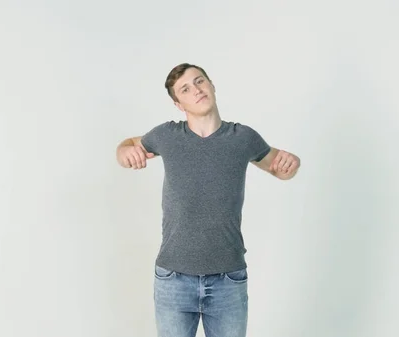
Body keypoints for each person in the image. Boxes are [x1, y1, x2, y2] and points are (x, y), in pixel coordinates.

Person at [115, 63, 300, 337]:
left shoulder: (243, 137)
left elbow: (280, 168)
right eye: (186, 89)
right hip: (173, 278)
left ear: (212, 85)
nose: (196, 90)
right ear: (179, 104)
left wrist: (292, 163)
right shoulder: (167, 135)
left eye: (199, 81)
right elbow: (128, 144)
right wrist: (124, 152)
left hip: (228, 278)